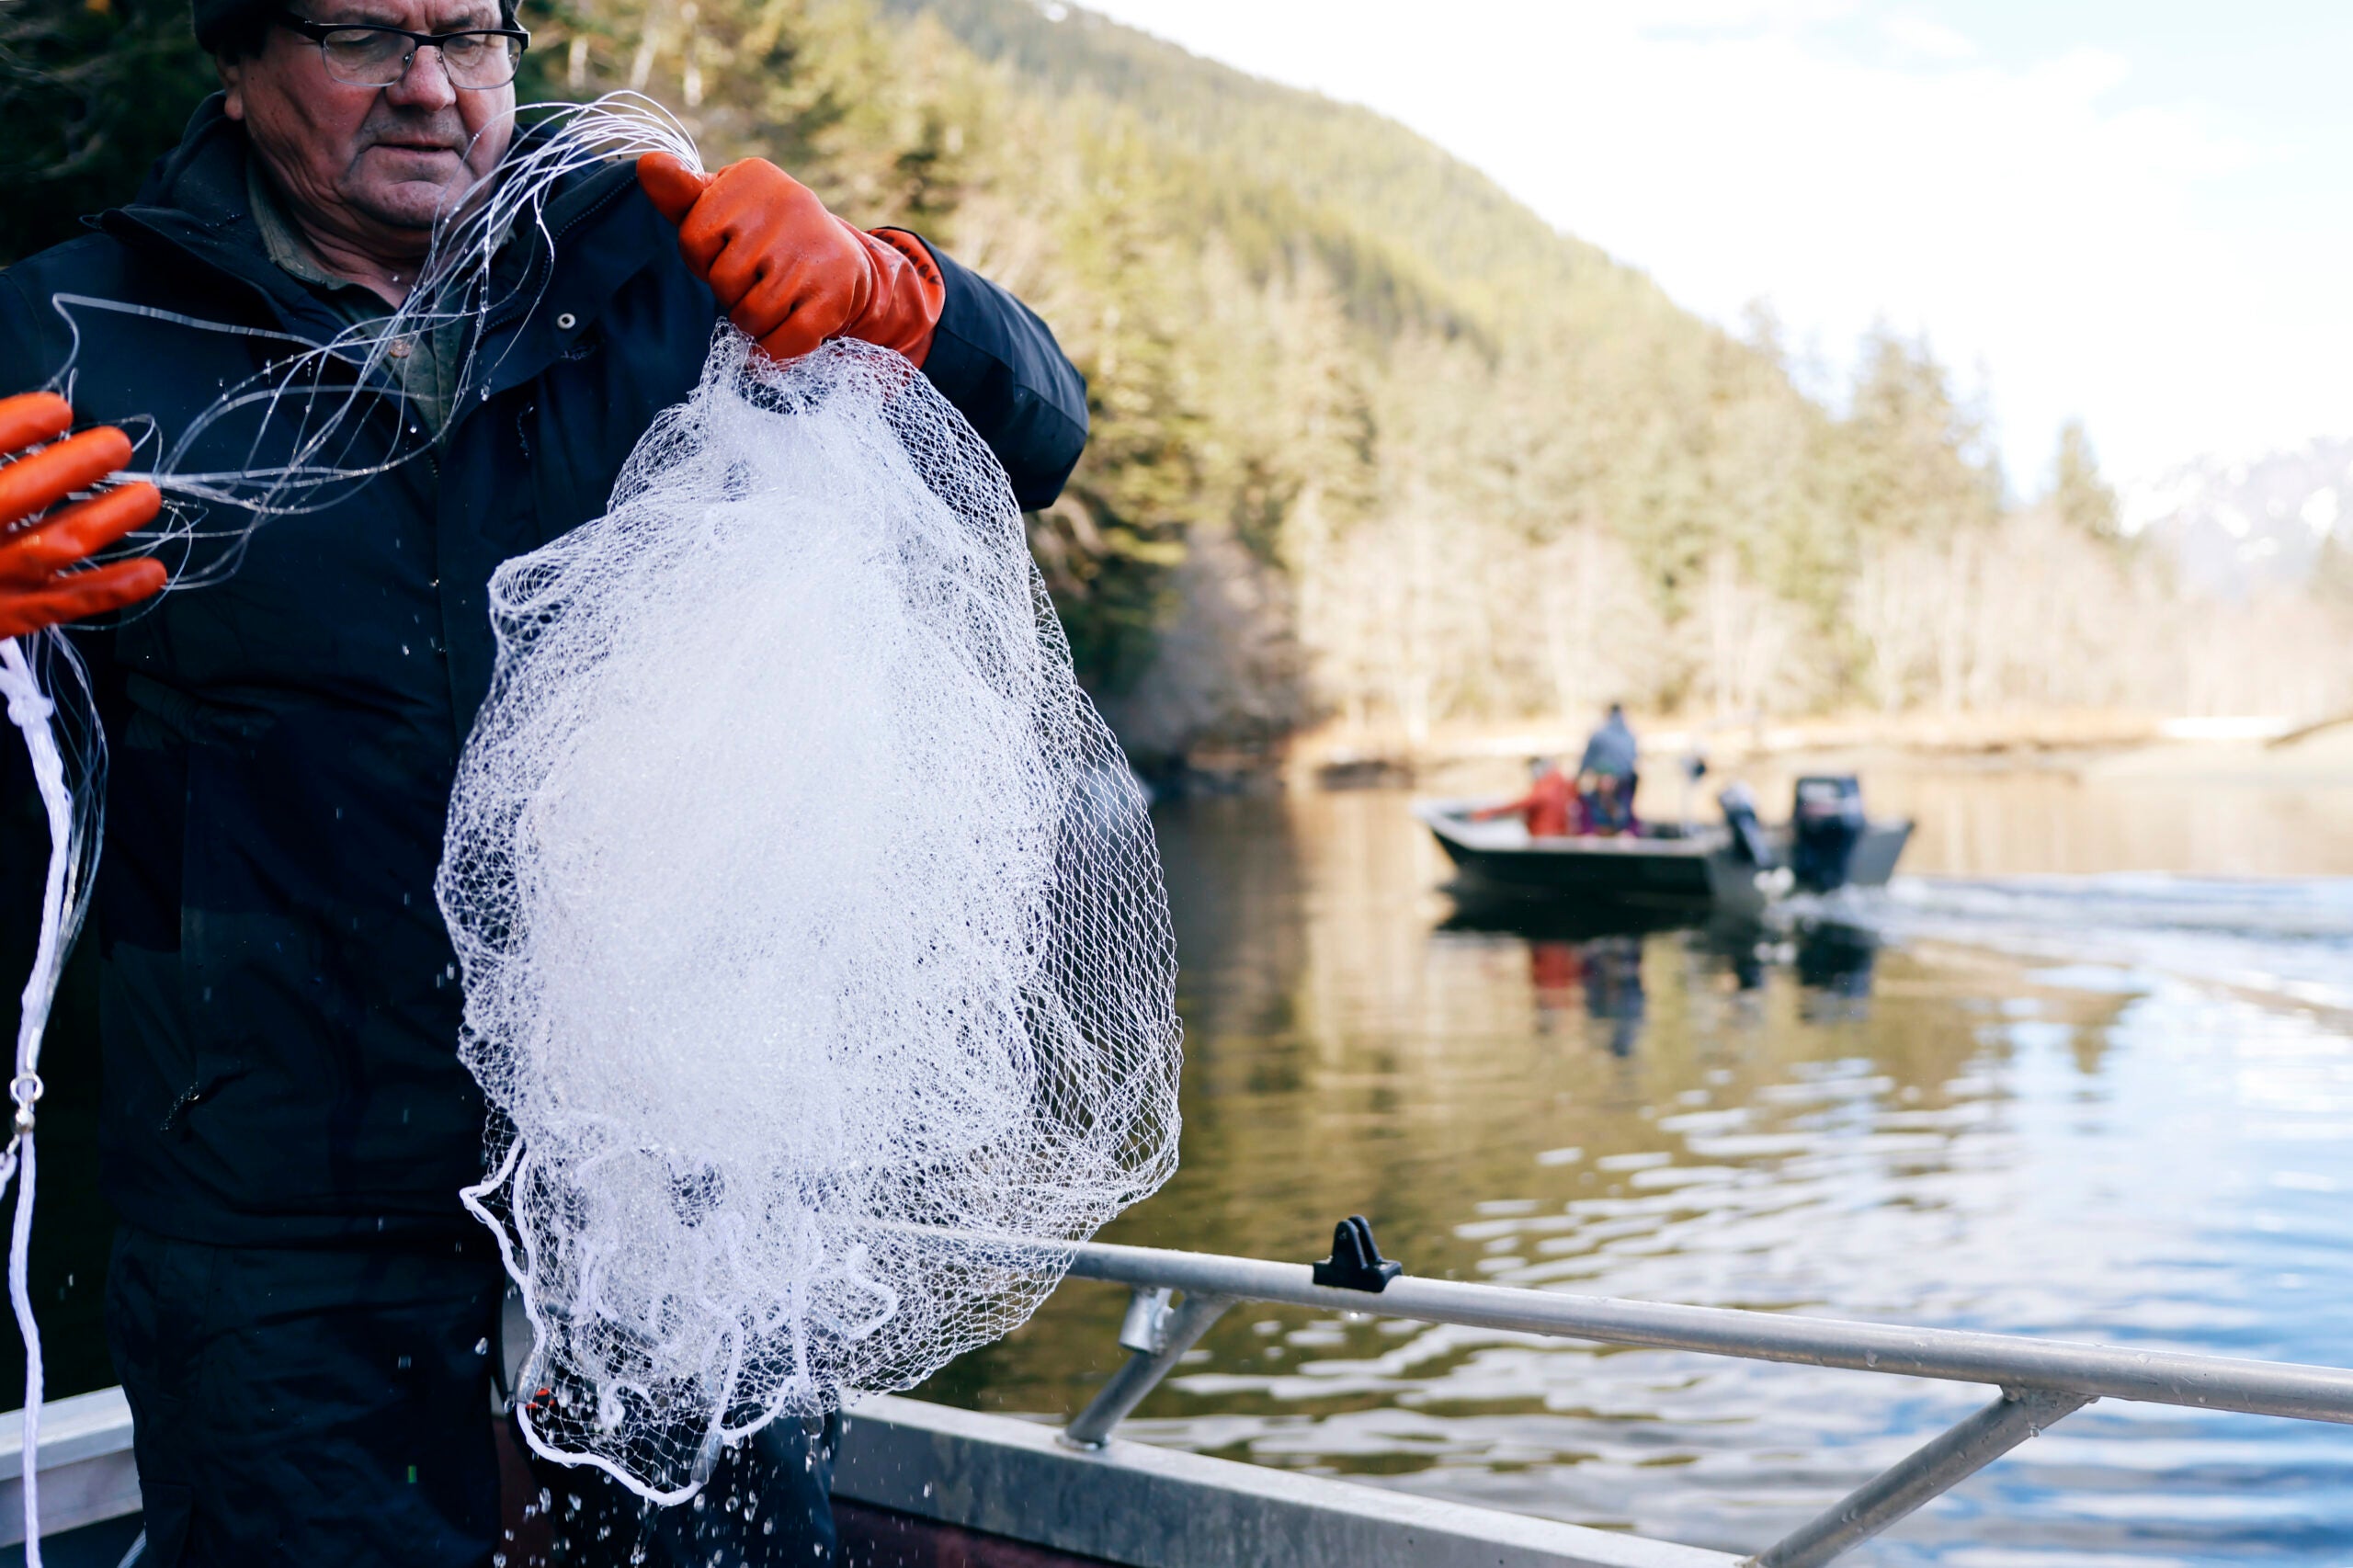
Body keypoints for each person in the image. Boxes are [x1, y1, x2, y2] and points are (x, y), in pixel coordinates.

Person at [0, 0, 1088, 1558]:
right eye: (365, 37)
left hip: (664, 1207)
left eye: (469, 34)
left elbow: (1033, 436)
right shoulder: (64, 329)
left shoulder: (652, 261)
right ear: (237, 68)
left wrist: (902, 299)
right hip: (275, 1217)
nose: (431, 88)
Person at [1473, 756, 1578, 838]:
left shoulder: (1546, 786)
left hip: (1544, 838)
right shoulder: (1564, 783)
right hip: (1561, 835)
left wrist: (1490, 811)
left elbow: (1523, 804)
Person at [1577, 702, 1640, 835]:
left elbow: (1587, 759)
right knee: (1618, 810)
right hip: (1621, 781)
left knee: (1618, 811)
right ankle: (1620, 831)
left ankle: (1621, 831)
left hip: (1615, 783)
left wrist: (1579, 776)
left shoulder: (1599, 734)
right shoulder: (1631, 735)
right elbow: (1634, 758)